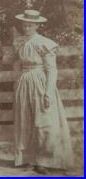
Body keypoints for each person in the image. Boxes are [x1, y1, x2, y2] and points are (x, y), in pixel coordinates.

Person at [12, 10, 74, 174]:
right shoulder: (19, 42)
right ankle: (27, 159)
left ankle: (44, 161)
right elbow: (17, 63)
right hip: (24, 82)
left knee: (44, 121)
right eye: (24, 25)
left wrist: (48, 91)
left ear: (37, 25)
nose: (26, 28)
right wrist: (17, 80)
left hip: (40, 82)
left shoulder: (44, 43)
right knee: (25, 120)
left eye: (30, 25)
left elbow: (52, 69)